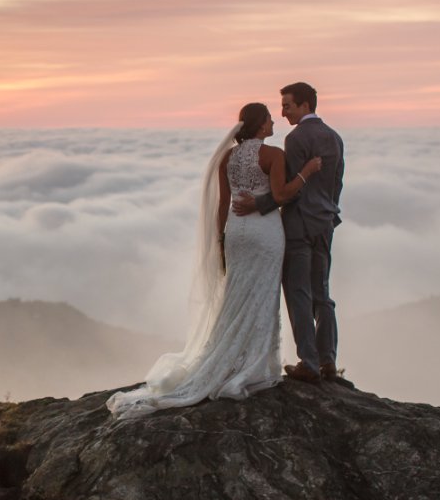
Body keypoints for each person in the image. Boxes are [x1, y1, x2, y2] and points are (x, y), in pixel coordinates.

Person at [108, 103, 321, 420]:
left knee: (236, 295)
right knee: (262, 294)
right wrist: (307, 172)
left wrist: (220, 241)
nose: (273, 121)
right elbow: (281, 194)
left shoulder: (226, 158)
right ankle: (253, 364)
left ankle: (228, 358)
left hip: (235, 232)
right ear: (260, 125)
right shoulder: (273, 155)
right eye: (268, 118)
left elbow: (223, 204)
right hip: (265, 233)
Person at [232, 82, 344, 384]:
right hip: (324, 223)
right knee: (323, 294)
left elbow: (288, 191)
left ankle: (308, 362)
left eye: (288, 106)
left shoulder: (295, 139)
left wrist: (258, 204)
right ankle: (328, 361)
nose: (282, 113)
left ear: (305, 105)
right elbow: (337, 185)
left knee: (298, 293)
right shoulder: (335, 138)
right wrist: (330, 213)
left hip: (299, 225)